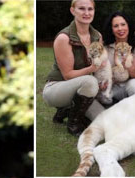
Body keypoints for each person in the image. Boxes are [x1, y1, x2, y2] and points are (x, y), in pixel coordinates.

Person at [42, 0, 106, 136]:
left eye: (90, 9)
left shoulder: (97, 36)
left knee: (104, 120)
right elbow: (68, 75)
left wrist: (103, 81)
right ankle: (73, 124)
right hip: (57, 88)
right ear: (73, 11)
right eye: (82, 8)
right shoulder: (63, 38)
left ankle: (68, 109)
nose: (87, 13)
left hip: (83, 89)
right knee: (90, 81)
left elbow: (99, 67)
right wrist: (92, 69)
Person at [102, 11, 135, 103]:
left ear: (128, 26)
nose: (120, 28)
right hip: (114, 86)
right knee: (103, 96)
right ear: (111, 29)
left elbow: (134, 74)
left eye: (123, 24)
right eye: (116, 26)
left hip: (130, 85)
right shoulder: (106, 47)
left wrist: (124, 58)